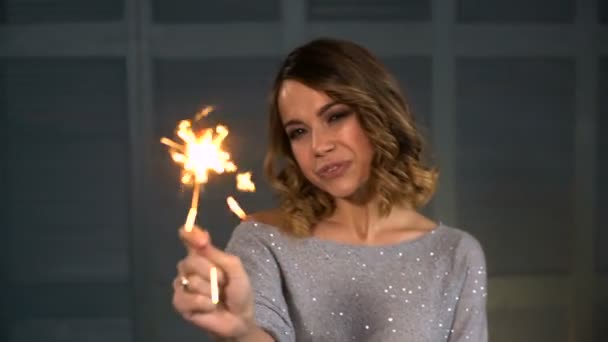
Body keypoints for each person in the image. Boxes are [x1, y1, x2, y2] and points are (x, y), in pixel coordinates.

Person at [172, 38, 488, 342]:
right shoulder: (262, 240)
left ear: (379, 115)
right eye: (298, 132)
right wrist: (241, 332)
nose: (319, 146)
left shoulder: (455, 254)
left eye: (335, 117)